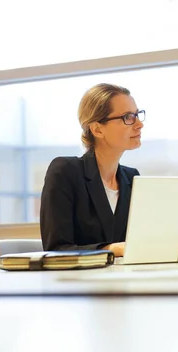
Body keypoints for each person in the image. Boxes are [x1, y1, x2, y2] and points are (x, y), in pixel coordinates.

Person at [40, 83, 144, 256]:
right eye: (128, 117)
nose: (139, 124)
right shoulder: (65, 172)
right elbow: (56, 250)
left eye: (138, 115)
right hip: (77, 281)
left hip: (124, 280)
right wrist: (112, 249)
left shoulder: (132, 178)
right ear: (97, 129)